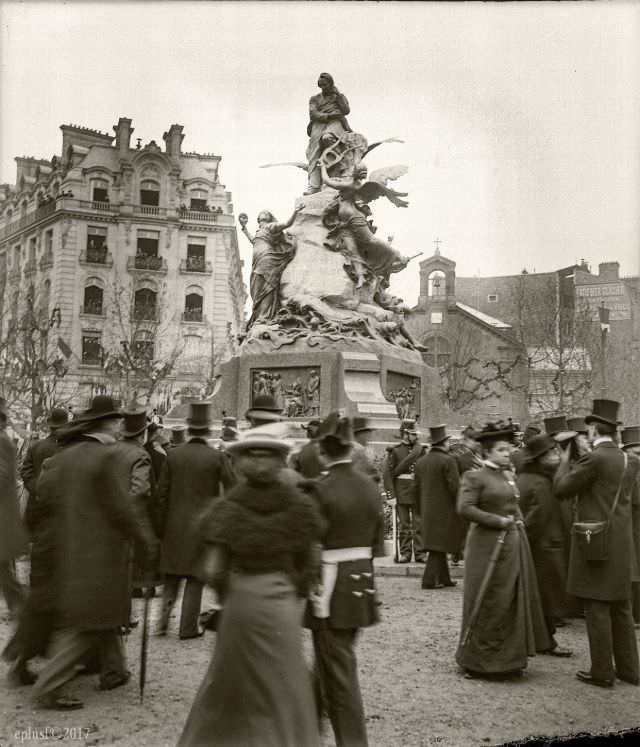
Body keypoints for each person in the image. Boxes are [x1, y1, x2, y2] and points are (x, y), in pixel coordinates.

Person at [177, 423, 324, 747]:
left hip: (241, 604)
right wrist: (295, 589)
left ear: (239, 462)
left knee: (230, 685)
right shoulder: (300, 508)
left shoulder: (227, 509)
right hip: (282, 604)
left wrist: (229, 594)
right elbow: (312, 561)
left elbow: (214, 570)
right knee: (285, 683)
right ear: (281, 461)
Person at [31, 396, 157, 710]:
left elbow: (44, 495)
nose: (120, 426)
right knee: (91, 623)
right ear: (105, 424)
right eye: (116, 421)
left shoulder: (66, 456)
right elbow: (122, 510)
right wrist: (145, 543)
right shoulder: (104, 458)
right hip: (102, 551)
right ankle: (48, 687)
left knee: (104, 616)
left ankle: (114, 670)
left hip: (71, 546)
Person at [305, 413, 385, 747]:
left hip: (329, 586)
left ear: (322, 451)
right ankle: (304, 722)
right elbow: (377, 542)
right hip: (361, 581)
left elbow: (309, 544)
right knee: (332, 660)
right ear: (351, 447)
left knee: (339, 675)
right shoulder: (370, 485)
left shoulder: (318, 489)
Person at [455, 422, 551, 680]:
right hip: (486, 547)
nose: (507, 454)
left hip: (510, 546)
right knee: (489, 599)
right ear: (487, 453)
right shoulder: (474, 477)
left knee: (509, 599)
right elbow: (465, 509)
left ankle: (509, 660)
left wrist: (518, 519)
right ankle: (479, 662)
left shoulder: (509, 476)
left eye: (508, 450)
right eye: (500, 450)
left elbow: (513, 504)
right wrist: (497, 521)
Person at [555, 399, 640, 688]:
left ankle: (602, 671)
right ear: (615, 431)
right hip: (622, 544)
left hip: (596, 542)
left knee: (596, 606)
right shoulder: (631, 460)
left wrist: (567, 457)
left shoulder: (593, 459)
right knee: (621, 606)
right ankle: (630, 670)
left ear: (592, 429)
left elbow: (562, 490)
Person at [157, 402, 234, 639]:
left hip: (173, 523)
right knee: (194, 577)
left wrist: (162, 525)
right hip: (201, 525)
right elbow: (232, 489)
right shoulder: (216, 457)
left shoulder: (172, 455)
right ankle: (187, 627)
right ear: (208, 429)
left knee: (171, 574)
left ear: (189, 430)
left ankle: (162, 624)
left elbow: (162, 494)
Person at [3, 408, 68, 685]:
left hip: (47, 523)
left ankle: (23, 656)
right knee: (32, 596)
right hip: (45, 520)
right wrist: (36, 488)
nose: (56, 431)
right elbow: (24, 471)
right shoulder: (38, 445)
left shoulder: (65, 447)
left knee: (29, 595)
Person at [517, 434, 572, 657]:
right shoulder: (542, 483)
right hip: (546, 548)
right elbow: (537, 518)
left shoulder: (524, 478)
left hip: (536, 547)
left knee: (538, 597)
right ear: (540, 458)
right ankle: (547, 641)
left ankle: (539, 639)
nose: (557, 456)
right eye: (552, 453)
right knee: (548, 599)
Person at [414, 425, 462, 589]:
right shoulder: (448, 461)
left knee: (438, 545)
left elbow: (416, 488)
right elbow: (455, 487)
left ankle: (444, 578)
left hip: (428, 510)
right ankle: (428, 580)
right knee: (438, 546)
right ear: (444, 442)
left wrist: (419, 509)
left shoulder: (421, 462)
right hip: (446, 511)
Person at [238, 206, 302, 328]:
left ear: (268, 217)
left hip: (267, 259)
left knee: (267, 286)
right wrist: (244, 227)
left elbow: (287, 223)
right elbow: (253, 241)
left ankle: (264, 316)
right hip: (257, 261)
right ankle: (260, 315)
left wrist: (295, 211)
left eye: (264, 213)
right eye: (261, 214)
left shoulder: (271, 226)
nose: (262, 214)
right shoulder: (259, 231)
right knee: (257, 288)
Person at [382, 419, 426, 563]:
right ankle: (406, 553)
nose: (416, 437)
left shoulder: (420, 450)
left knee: (419, 523)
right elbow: (387, 474)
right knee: (405, 525)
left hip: (417, 491)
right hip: (401, 492)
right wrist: (391, 495)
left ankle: (420, 553)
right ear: (406, 434)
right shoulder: (395, 450)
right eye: (413, 434)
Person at [0, 402, 28, 621]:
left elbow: (2, 476)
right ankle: (19, 605)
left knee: (3, 569)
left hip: (2, 516)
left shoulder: (1, 442)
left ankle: (21, 606)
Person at [305, 72, 351, 194]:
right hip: (320, 122)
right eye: (321, 85)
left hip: (335, 122)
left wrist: (338, 96)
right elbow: (313, 114)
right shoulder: (314, 99)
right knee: (314, 152)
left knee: (327, 138)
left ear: (331, 84)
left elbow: (346, 111)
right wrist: (328, 115)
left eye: (325, 84)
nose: (323, 87)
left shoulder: (339, 96)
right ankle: (313, 186)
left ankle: (334, 171)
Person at [620, 425, 640, 627]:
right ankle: (634, 614)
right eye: (636, 453)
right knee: (633, 570)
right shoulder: (626, 472)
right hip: (631, 527)